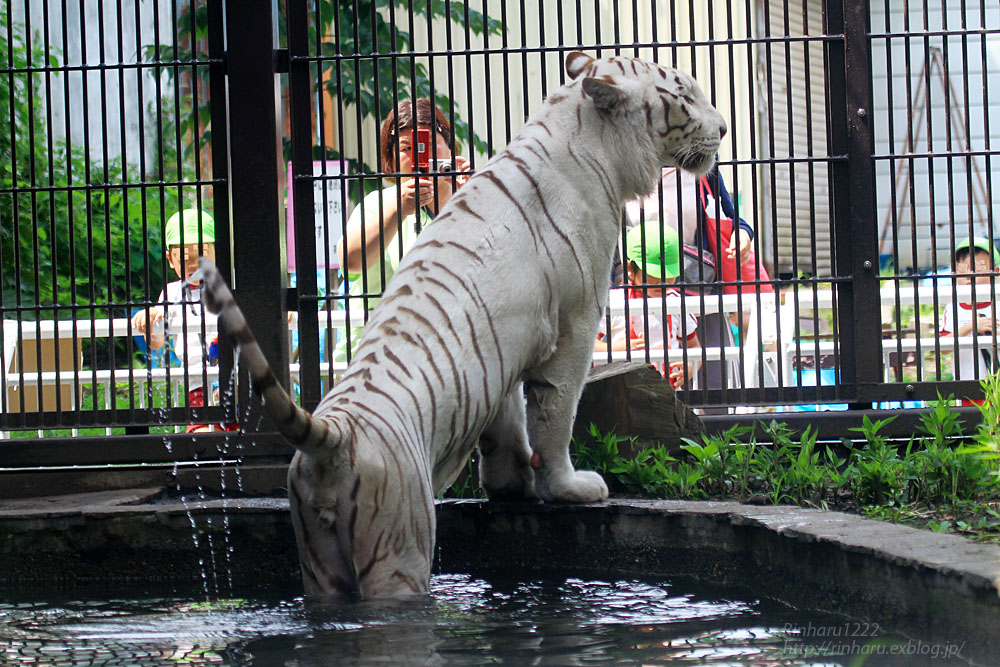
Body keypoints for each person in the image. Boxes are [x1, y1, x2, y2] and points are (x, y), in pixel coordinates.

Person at [334, 98, 472, 360]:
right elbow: (351, 261)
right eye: (408, 147)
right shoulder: (378, 203)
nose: (423, 155)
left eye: (431, 144)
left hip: (450, 361)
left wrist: (472, 199)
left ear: (450, 148)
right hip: (376, 360)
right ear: (392, 156)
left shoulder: (471, 199)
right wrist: (400, 208)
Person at [131, 208, 235, 433]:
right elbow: (157, 343)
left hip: (236, 380)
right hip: (197, 382)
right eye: (183, 255)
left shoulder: (233, 284)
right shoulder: (172, 294)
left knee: (241, 438)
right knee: (203, 437)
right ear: (170, 259)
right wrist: (149, 322)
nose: (193, 261)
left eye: (202, 252)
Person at [596, 222, 701, 389]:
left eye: (670, 274)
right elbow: (589, 346)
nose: (664, 281)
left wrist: (689, 367)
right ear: (630, 268)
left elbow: (695, 347)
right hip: (621, 393)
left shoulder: (675, 302)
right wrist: (616, 348)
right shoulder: (614, 302)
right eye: (655, 274)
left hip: (668, 394)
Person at [940, 236, 1000, 399]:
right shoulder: (953, 308)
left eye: (977, 269)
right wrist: (969, 327)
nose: (968, 276)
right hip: (967, 388)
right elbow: (942, 348)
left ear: (995, 272)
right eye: (962, 269)